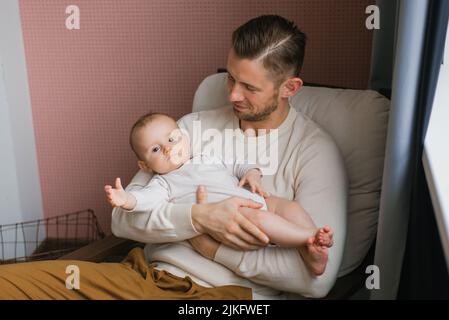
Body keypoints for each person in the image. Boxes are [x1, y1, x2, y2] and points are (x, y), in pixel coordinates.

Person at [0, 14, 347, 300]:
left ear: (290, 88)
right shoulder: (186, 130)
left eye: (250, 87)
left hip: (224, 298)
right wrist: (197, 218)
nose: (233, 95)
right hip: (143, 278)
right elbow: (123, 221)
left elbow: (315, 281)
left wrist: (209, 246)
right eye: (229, 78)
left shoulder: (314, 152)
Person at [104, 112, 334, 275]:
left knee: (289, 207)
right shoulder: (163, 183)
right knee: (262, 219)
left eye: (172, 139)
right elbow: (144, 201)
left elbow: (238, 165)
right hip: (240, 218)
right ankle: (308, 238)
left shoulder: (206, 157)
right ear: (144, 166)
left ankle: (312, 251)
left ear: (184, 137)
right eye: (156, 149)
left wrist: (252, 174)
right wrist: (126, 200)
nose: (168, 148)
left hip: (256, 199)